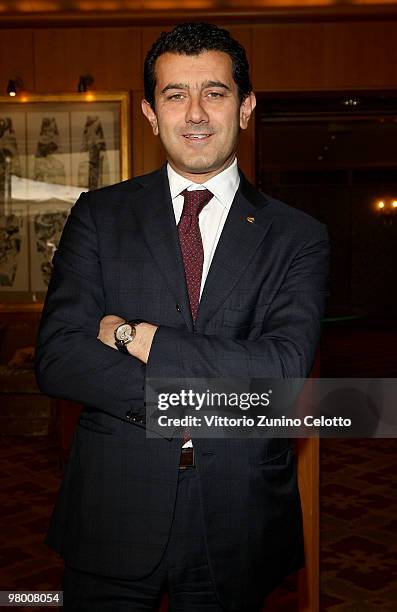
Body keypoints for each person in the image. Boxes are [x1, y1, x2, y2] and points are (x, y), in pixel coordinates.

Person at [36, 22, 329, 612]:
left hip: (239, 512)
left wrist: (132, 335)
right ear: (151, 112)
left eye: (215, 93)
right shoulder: (98, 216)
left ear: (245, 108)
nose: (195, 113)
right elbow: (61, 355)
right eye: (175, 95)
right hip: (113, 504)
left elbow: (283, 369)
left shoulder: (298, 237)